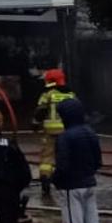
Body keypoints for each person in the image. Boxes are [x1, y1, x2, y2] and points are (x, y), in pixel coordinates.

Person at [52, 95, 104, 223]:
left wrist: (54, 179)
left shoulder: (65, 137)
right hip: (89, 183)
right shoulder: (90, 132)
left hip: (71, 187)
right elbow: (98, 161)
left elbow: (63, 165)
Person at [32, 69, 76, 198]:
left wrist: (35, 124)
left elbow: (40, 111)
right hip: (68, 131)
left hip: (51, 131)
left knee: (47, 158)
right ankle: (68, 181)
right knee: (68, 156)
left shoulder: (48, 94)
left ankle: (45, 181)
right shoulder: (71, 95)